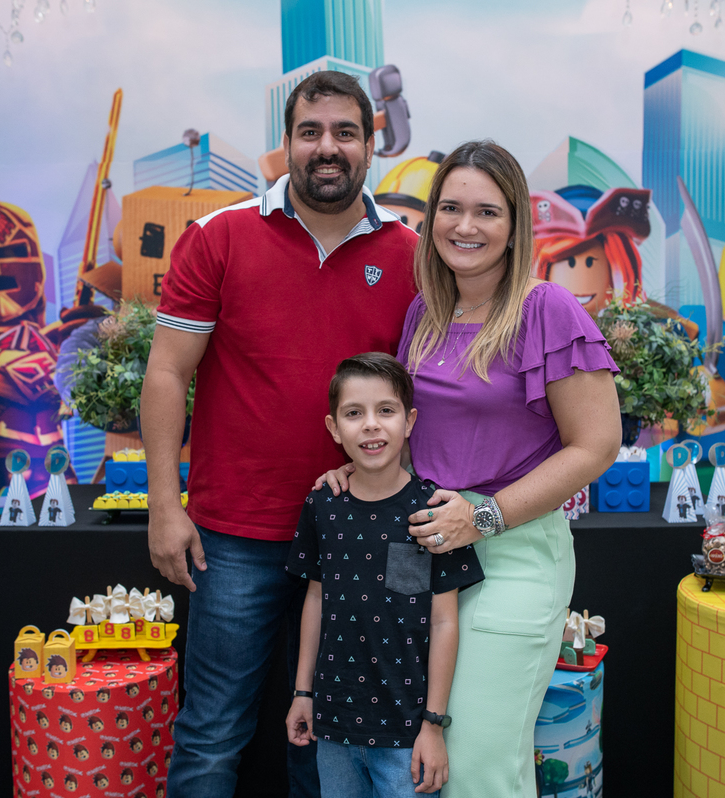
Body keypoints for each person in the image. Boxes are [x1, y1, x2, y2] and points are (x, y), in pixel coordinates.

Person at [141, 70, 419, 798]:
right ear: (287, 143)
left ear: (371, 146)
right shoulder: (218, 236)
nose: (328, 147)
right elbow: (167, 372)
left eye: (346, 132)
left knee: (332, 740)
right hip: (235, 534)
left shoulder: (412, 254)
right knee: (211, 735)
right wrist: (164, 505)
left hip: (362, 535)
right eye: (310, 131)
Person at [320, 141, 621, 797]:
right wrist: (359, 476)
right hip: (424, 552)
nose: (466, 226)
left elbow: (597, 445)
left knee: (478, 766)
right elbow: (413, 433)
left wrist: (483, 518)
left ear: (515, 225)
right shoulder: (423, 313)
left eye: (487, 211)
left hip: (512, 554)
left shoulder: (547, 310)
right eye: (451, 208)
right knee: (420, 764)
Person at [285, 353, 483, 797]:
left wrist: (434, 724)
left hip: (407, 734)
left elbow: (444, 621)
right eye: (354, 413)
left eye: (386, 410)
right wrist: (303, 693)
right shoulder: (321, 505)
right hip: (333, 726)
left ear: (409, 421)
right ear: (334, 428)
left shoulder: (434, 511)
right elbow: (315, 599)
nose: (371, 425)